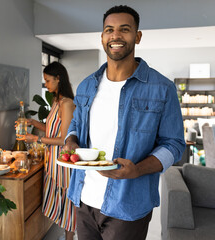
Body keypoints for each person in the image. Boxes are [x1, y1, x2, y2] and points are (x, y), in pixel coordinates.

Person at [63, 5, 185, 240]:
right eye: (109, 30)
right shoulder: (87, 85)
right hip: (84, 198)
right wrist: (71, 139)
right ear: (102, 37)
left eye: (124, 29)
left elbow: (174, 145)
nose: (115, 36)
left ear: (137, 36)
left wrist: (137, 170)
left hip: (128, 205)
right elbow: (76, 123)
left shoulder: (162, 88)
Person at [25, 62, 76, 240]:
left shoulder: (67, 103)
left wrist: (36, 139)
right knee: (59, 198)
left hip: (63, 159)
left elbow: (64, 139)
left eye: (47, 80)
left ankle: (69, 238)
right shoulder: (56, 101)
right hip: (52, 158)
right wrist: (33, 123)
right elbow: (51, 129)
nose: (45, 84)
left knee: (67, 200)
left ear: (58, 78)